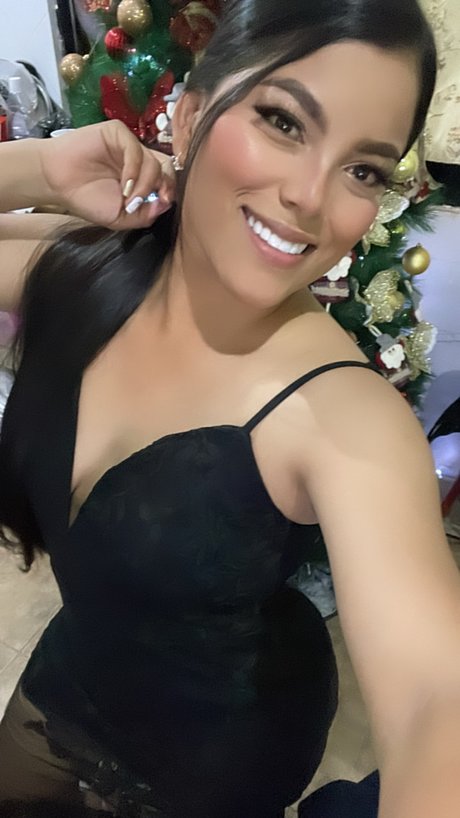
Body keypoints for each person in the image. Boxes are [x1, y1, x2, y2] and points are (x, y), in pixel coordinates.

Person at [1, 1, 460, 816]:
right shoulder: (79, 272)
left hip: (220, 754)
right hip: (77, 673)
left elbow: (436, 698)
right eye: (283, 122)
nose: (310, 197)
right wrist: (37, 168)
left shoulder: (344, 412)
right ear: (190, 116)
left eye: (364, 170)